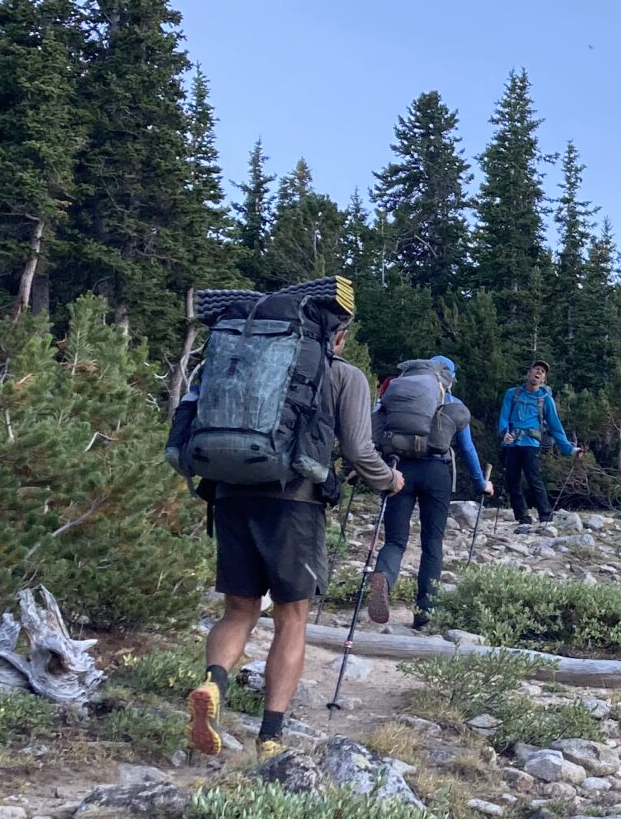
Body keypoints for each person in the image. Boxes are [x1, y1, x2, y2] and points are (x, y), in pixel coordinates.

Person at [187, 313, 399, 761]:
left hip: (228, 495)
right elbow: (360, 451)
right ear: (338, 337)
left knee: (239, 609)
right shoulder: (342, 374)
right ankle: (270, 737)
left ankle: (213, 681)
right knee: (292, 618)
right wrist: (390, 480)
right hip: (294, 503)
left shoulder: (238, 361)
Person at [369, 355, 491, 628]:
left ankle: (384, 578)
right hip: (436, 473)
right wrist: (481, 482)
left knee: (395, 541)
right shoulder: (452, 403)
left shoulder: (400, 394)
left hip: (398, 470)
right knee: (432, 545)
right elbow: (467, 448)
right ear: (450, 377)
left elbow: (375, 431)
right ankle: (425, 614)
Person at [496, 360, 579, 525]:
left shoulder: (546, 400)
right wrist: (504, 434)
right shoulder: (512, 394)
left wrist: (569, 449)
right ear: (529, 374)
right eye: (537, 369)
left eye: (542, 371)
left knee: (534, 478)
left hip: (531, 444)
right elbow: (504, 417)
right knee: (512, 479)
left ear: (543, 380)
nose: (539, 372)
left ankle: (546, 516)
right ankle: (522, 517)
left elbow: (556, 427)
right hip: (511, 443)